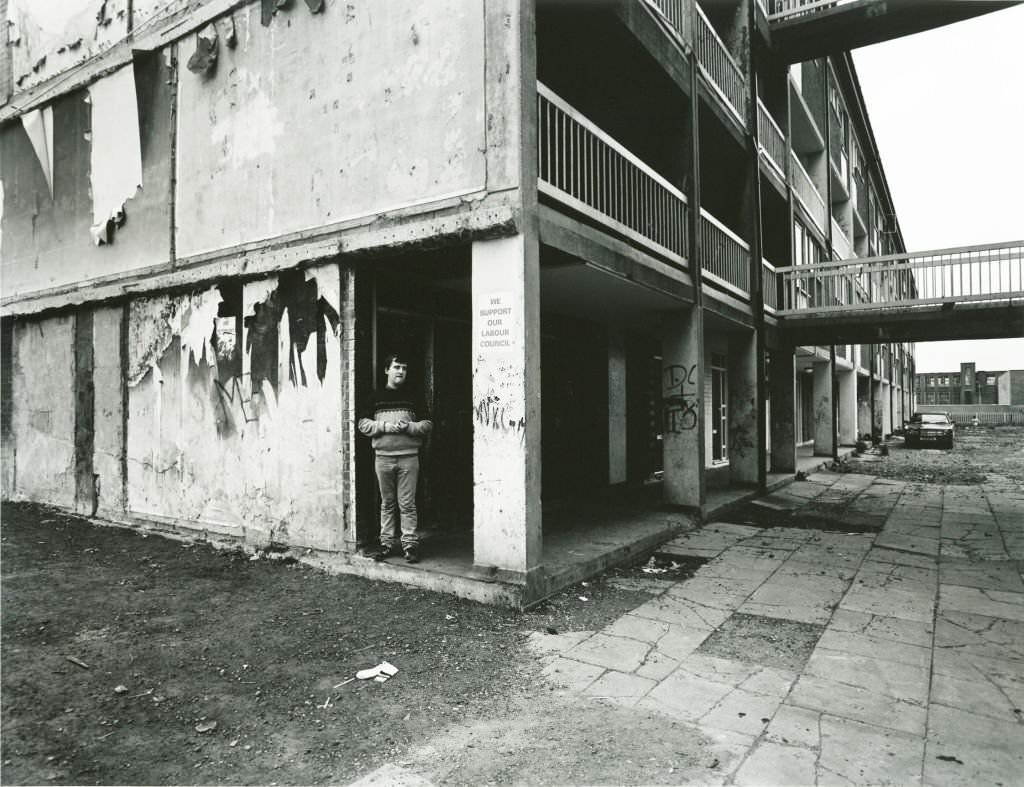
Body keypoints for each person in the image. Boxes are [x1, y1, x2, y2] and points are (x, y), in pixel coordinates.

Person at [358, 353, 432, 563]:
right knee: (387, 503)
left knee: (407, 504)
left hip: (409, 458)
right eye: (397, 367)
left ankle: (410, 546)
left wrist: (409, 427)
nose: (401, 371)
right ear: (386, 370)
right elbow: (362, 424)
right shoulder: (375, 397)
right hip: (383, 458)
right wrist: (384, 427)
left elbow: (427, 424)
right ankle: (387, 545)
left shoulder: (414, 397)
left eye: (404, 368)